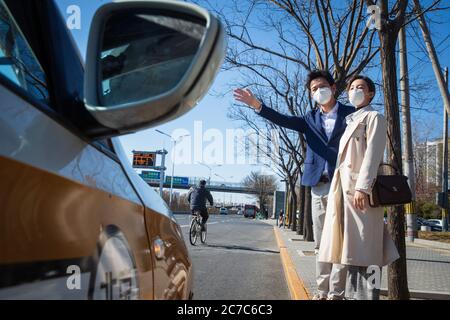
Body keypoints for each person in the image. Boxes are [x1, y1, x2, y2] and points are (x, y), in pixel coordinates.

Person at [234, 70, 354, 300]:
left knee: (340, 243)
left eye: (322, 86)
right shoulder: (309, 119)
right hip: (318, 186)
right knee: (321, 243)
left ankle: (336, 295)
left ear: (333, 87)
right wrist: (257, 105)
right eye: (314, 89)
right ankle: (321, 291)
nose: (319, 91)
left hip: (344, 185)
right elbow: (283, 119)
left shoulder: (351, 115)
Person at [318, 75, 400, 300]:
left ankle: (367, 297)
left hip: (361, 194)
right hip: (344, 195)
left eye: (360, 87)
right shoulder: (351, 121)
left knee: (368, 250)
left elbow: (373, 155)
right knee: (352, 250)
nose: (354, 91)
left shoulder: (374, 117)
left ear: (371, 93)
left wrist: (362, 188)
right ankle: (348, 295)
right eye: (352, 87)